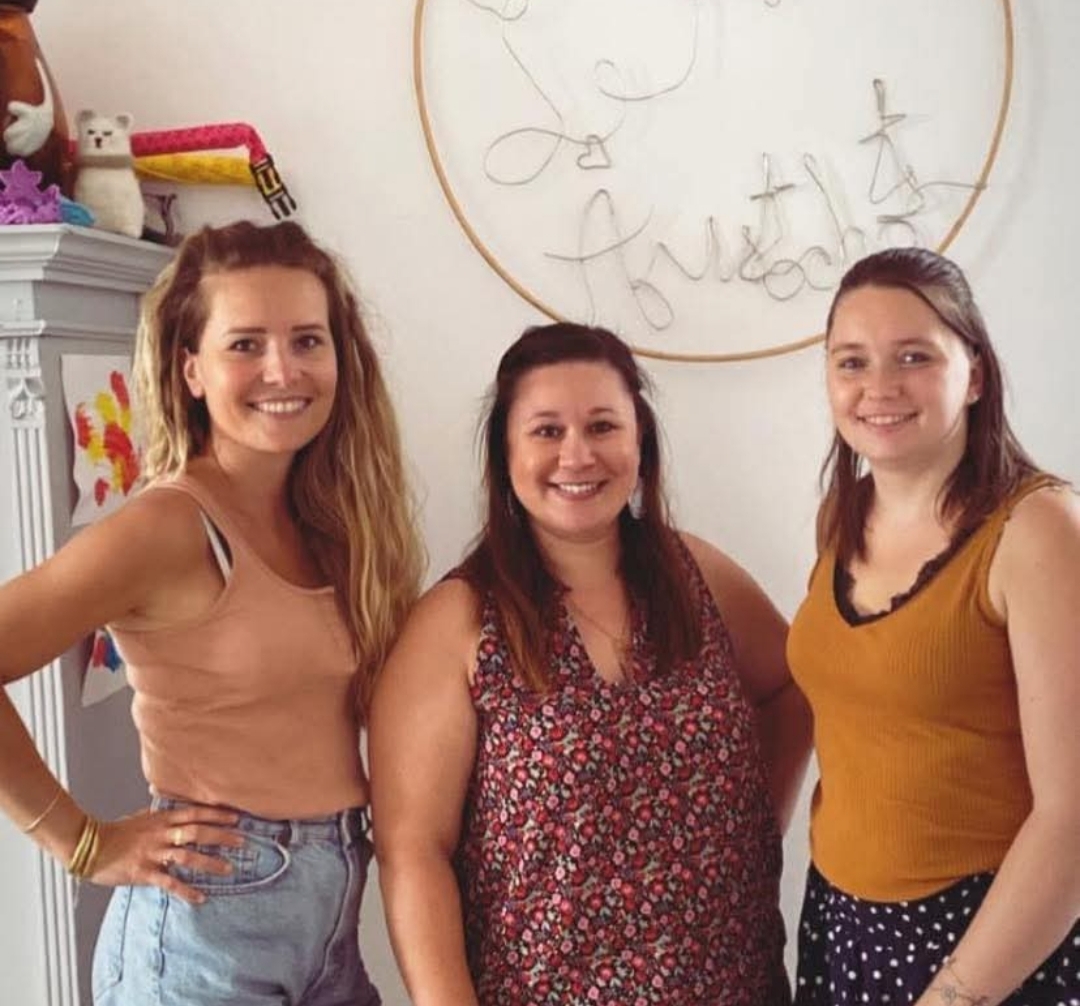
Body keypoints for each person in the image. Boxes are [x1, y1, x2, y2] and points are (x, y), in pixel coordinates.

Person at [0, 219, 424, 1005]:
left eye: (307, 340)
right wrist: (81, 842)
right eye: (245, 344)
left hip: (329, 923)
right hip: (204, 931)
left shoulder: (334, 521)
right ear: (191, 369)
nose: (282, 369)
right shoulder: (168, 526)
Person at [369, 322, 812, 1006]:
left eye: (603, 426)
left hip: (738, 984)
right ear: (505, 453)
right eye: (546, 431)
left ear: (640, 442)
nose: (576, 455)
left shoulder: (697, 577)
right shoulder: (458, 622)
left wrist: (755, 831)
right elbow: (413, 851)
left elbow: (792, 687)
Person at [787, 247, 1080, 1006]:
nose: (879, 387)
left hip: (988, 945)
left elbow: (1072, 819)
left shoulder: (1039, 530)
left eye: (914, 356)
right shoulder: (842, 516)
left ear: (974, 374)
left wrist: (953, 996)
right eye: (851, 362)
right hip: (842, 927)